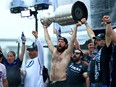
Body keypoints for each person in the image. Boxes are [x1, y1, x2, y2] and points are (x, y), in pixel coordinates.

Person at [43, 20, 83, 87]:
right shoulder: (54, 51)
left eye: (62, 42)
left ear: (66, 45)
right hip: (51, 82)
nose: (60, 43)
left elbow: (72, 40)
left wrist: (76, 27)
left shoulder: (67, 53)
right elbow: (48, 40)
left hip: (62, 83)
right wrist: (45, 28)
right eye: (59, 41)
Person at [82, 17, 112, 87]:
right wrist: (86, 23)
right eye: (96, 40)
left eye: (98, 40)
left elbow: (108, 35)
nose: (96, 41)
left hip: (103, 83)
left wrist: (108, 24)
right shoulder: (96, 49)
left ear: (104, 41)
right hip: (93, 83)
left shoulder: (106, 49)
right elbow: (91, 35)